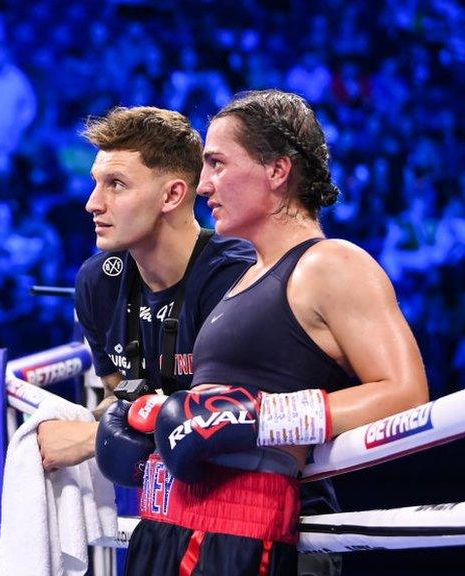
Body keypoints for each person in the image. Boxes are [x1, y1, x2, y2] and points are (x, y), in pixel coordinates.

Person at [107, 89, 429, 576]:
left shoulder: (332, 263)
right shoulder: (246, 275)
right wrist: (153, 433)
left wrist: (256, 418)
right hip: (177, 521)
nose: (203, 185)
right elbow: (210, 417)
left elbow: (407, 395)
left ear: (277, 171)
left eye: (217, 163)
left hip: (246, 528)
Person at [36, 106, 254, 470]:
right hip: (161, 499)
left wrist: (91, 437)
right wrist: (90, 423)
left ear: (171, 196)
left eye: (116, 185)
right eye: (95, 183)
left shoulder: (236, 275)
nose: (92, 203)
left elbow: (225, 420)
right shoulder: (98, 282)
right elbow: (118, 395)